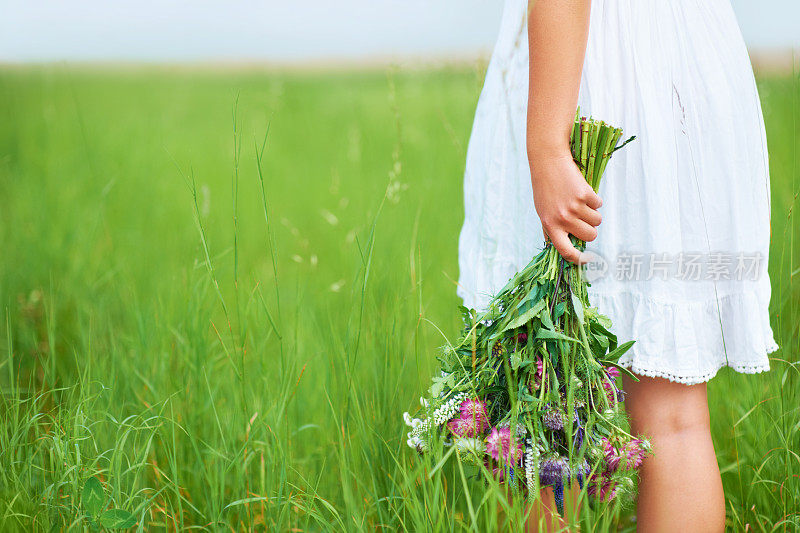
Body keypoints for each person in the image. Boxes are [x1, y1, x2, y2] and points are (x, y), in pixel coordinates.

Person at [456, 0, 779, 530]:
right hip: (682, 70)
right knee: (673, 418)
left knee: (545, 402)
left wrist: (546, 144)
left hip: (593, 82)